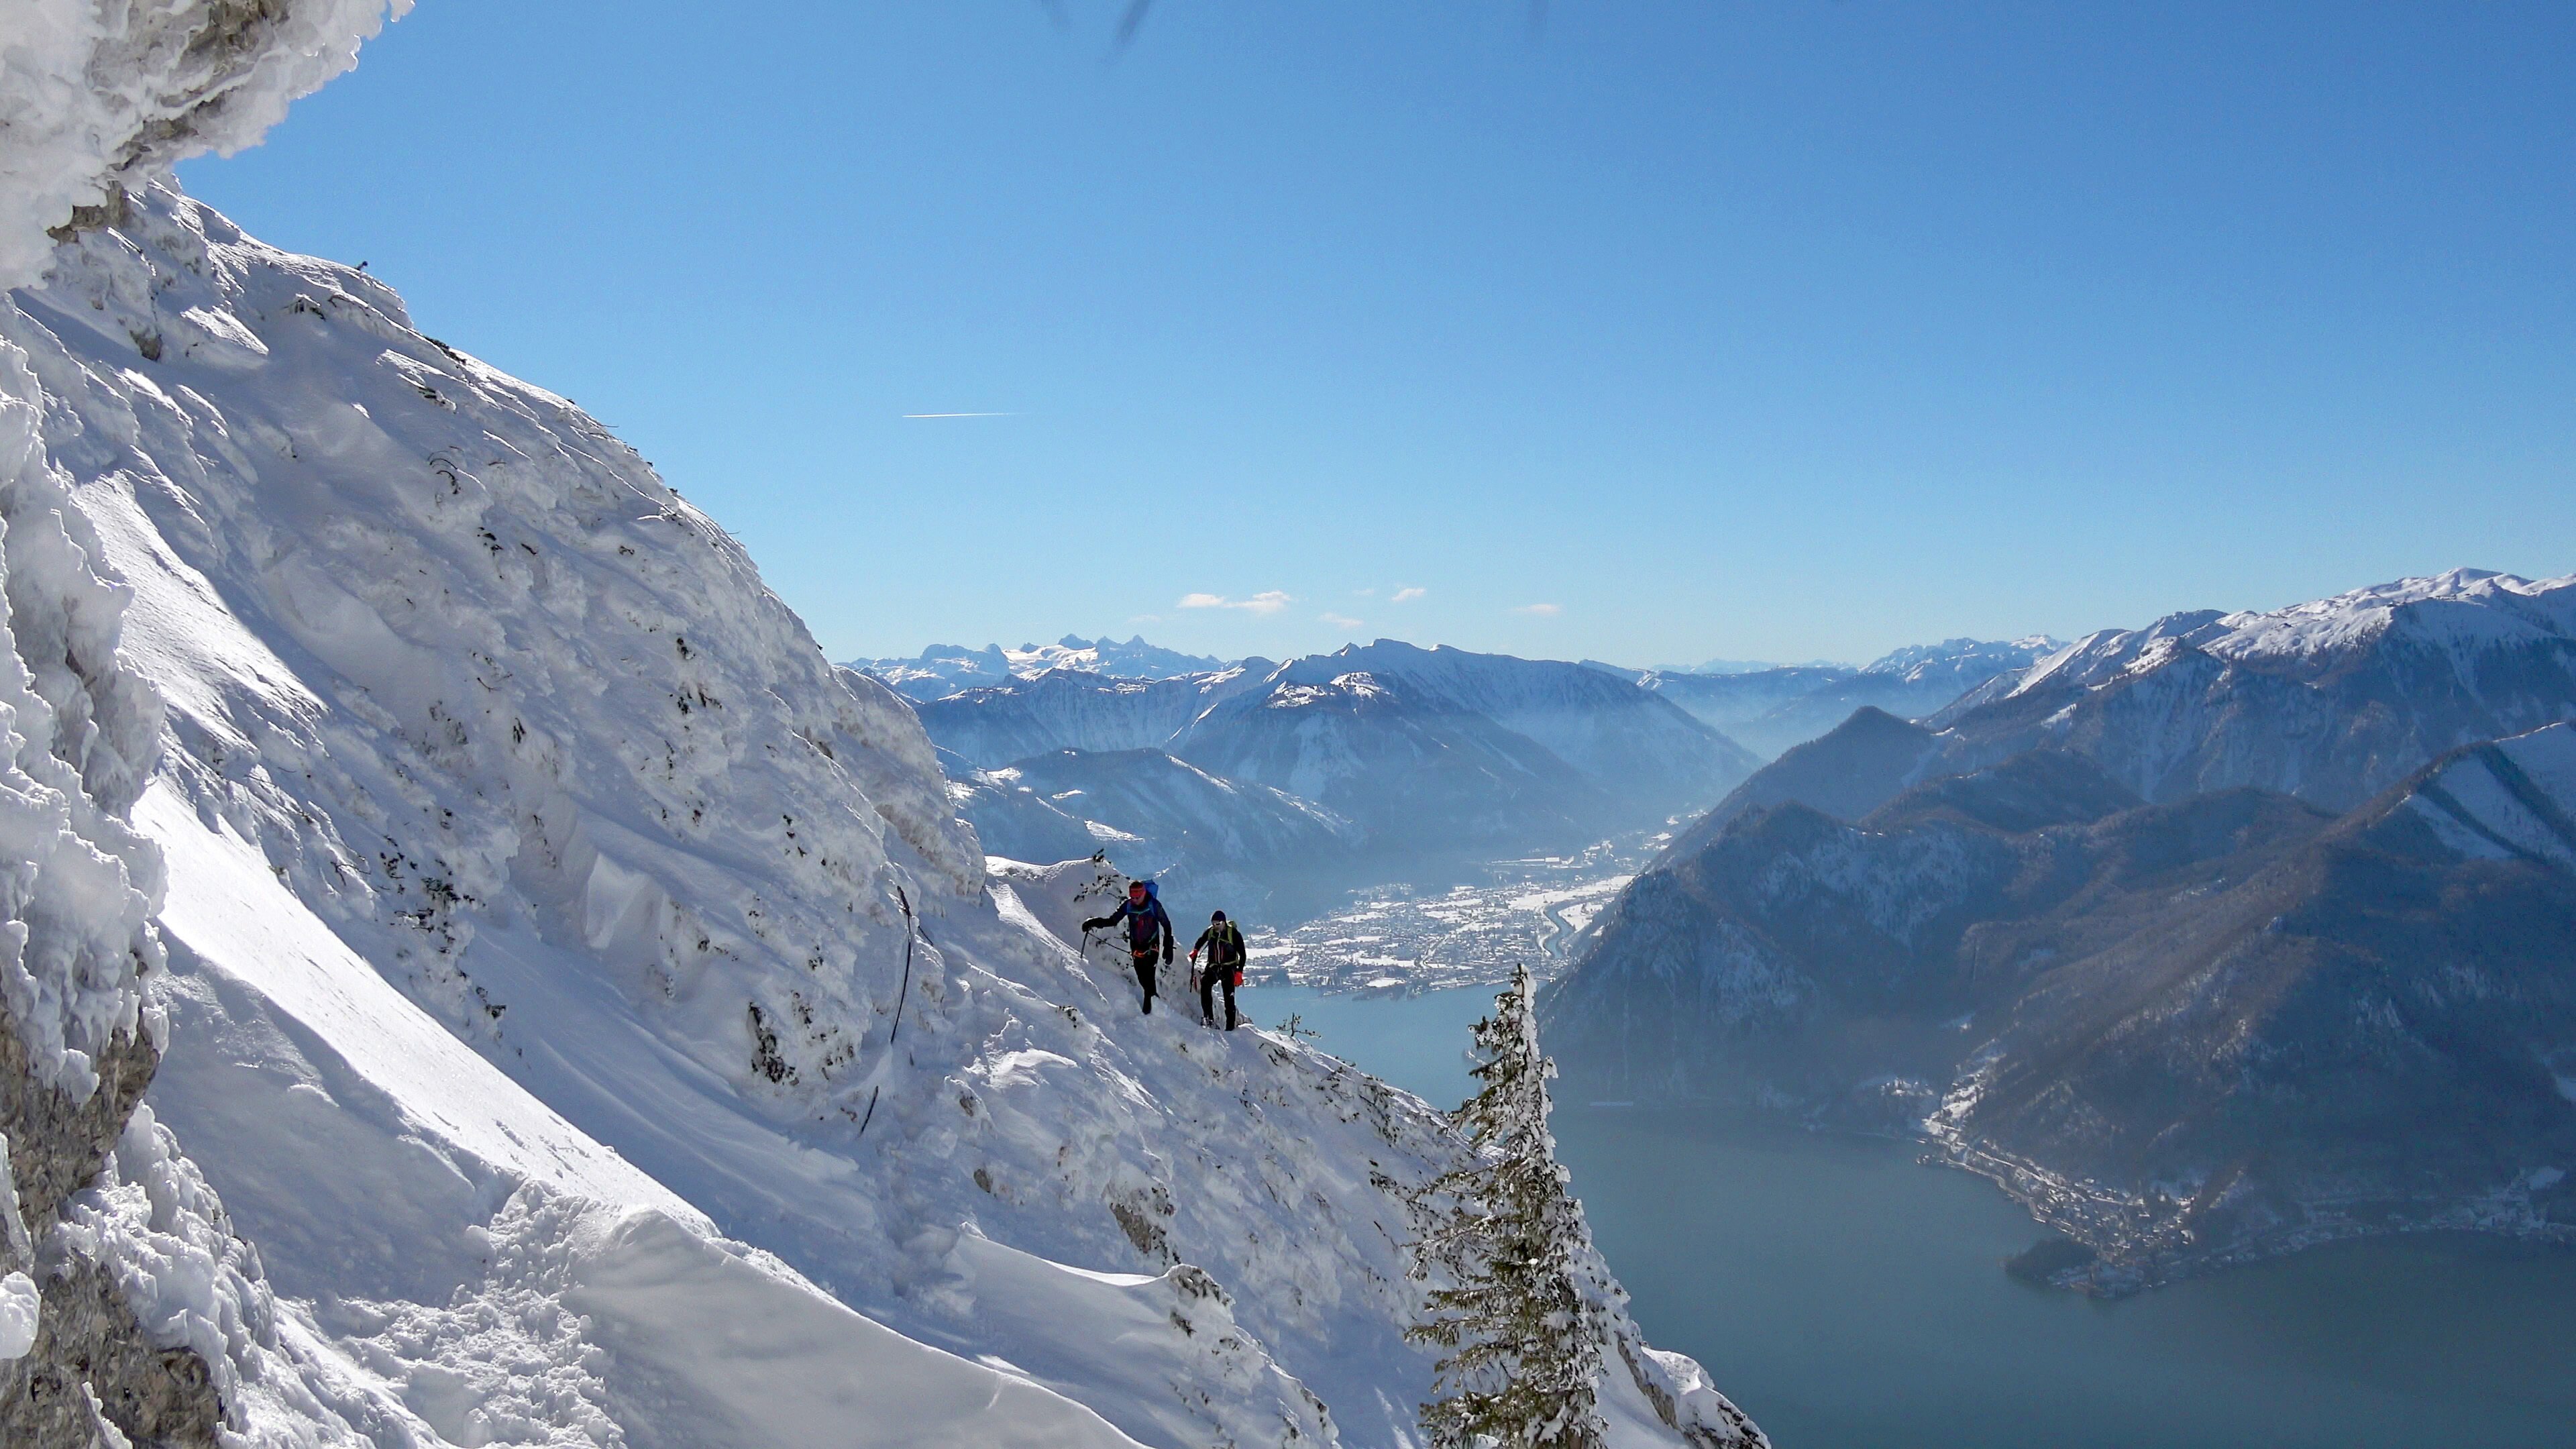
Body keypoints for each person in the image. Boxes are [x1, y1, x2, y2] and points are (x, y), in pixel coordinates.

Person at [1083, 879, 1173, 1014]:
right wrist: (1094, 922)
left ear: (1144, 894)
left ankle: (1150, 1008)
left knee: (1149, 975)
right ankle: (1155, 1006)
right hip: (1136, 946)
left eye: (1138, 897)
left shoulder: (1154, 905)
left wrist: (1168, 946)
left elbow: (1166, 925)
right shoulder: (1128, 906)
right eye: (1133, 897)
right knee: (1142, 977)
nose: (1135, 900)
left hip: (1152, 945)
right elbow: (1113, 921)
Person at [1189, 910, 1246, 1030]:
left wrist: (1239, 972)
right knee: (1205, 985)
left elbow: (1243, 954)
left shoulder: (1234, 934)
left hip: (1228, 967)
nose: (1216, 926)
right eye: (1214, 923)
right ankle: (1209, 1019)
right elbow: (1201, 941)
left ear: (1224, 922)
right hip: (1214, 966)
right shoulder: (1210, 932)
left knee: (1228, 998)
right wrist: (1195, 951)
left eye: (1218, 924)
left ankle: (1230, 1028)